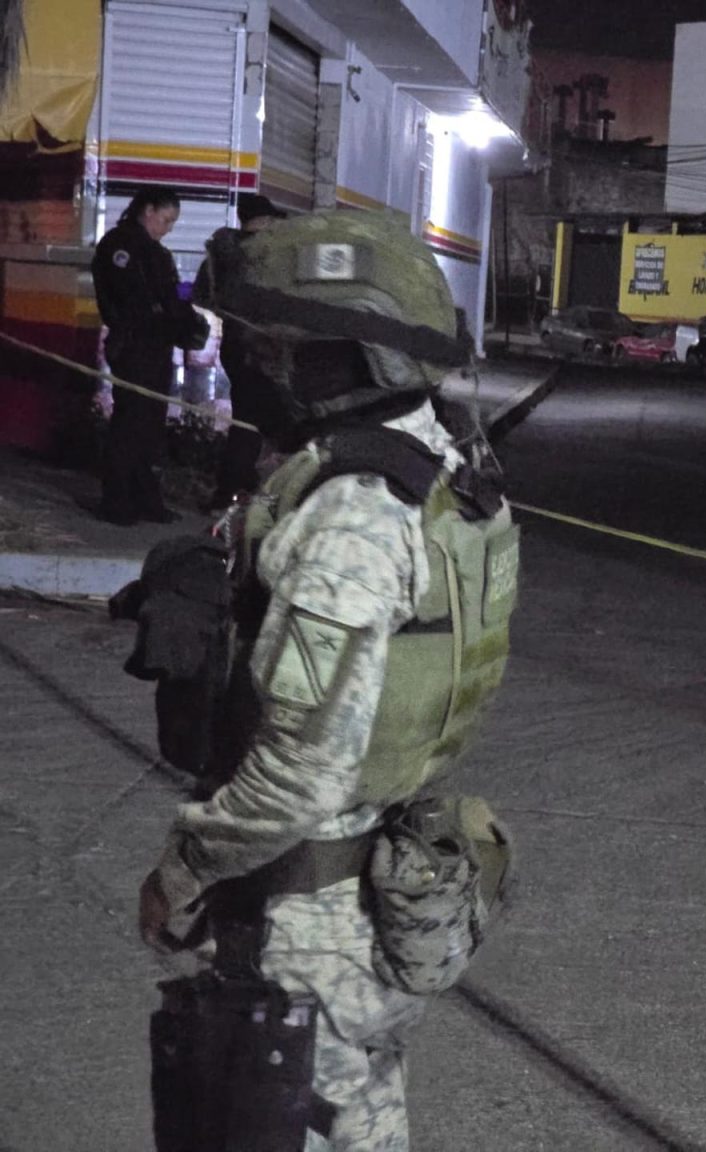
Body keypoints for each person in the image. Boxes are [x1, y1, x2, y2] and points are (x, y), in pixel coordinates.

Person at [136, 210, 519, 1151]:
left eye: (272, 348)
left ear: (347, 360)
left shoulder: (353, 517)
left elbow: (297, 774)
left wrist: (183, 872)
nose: (251, 367)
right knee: (362, 1126)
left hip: (307, 924)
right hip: (375, 884)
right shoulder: (438, 457)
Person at [91, 188, 205, 526]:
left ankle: (144, 499)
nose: (168, 228)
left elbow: (165, 300)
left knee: (150, 424)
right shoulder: (122, 247)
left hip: (155, 346)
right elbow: (136, 303)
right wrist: (175, 319)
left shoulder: (151, 251)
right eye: (167, 219)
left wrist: (183, 320)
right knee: (131, 423)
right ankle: (117, 502)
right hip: (135, 345)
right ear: (148, 210)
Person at [194, 193, 287, 510]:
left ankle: (241, 483)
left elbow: (202, 296)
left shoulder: (222, 253)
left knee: (249, 418)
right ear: (260, 221)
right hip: (261, 347)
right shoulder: (263, 253)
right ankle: (231, 491)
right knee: (253, 422)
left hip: (235, 345)